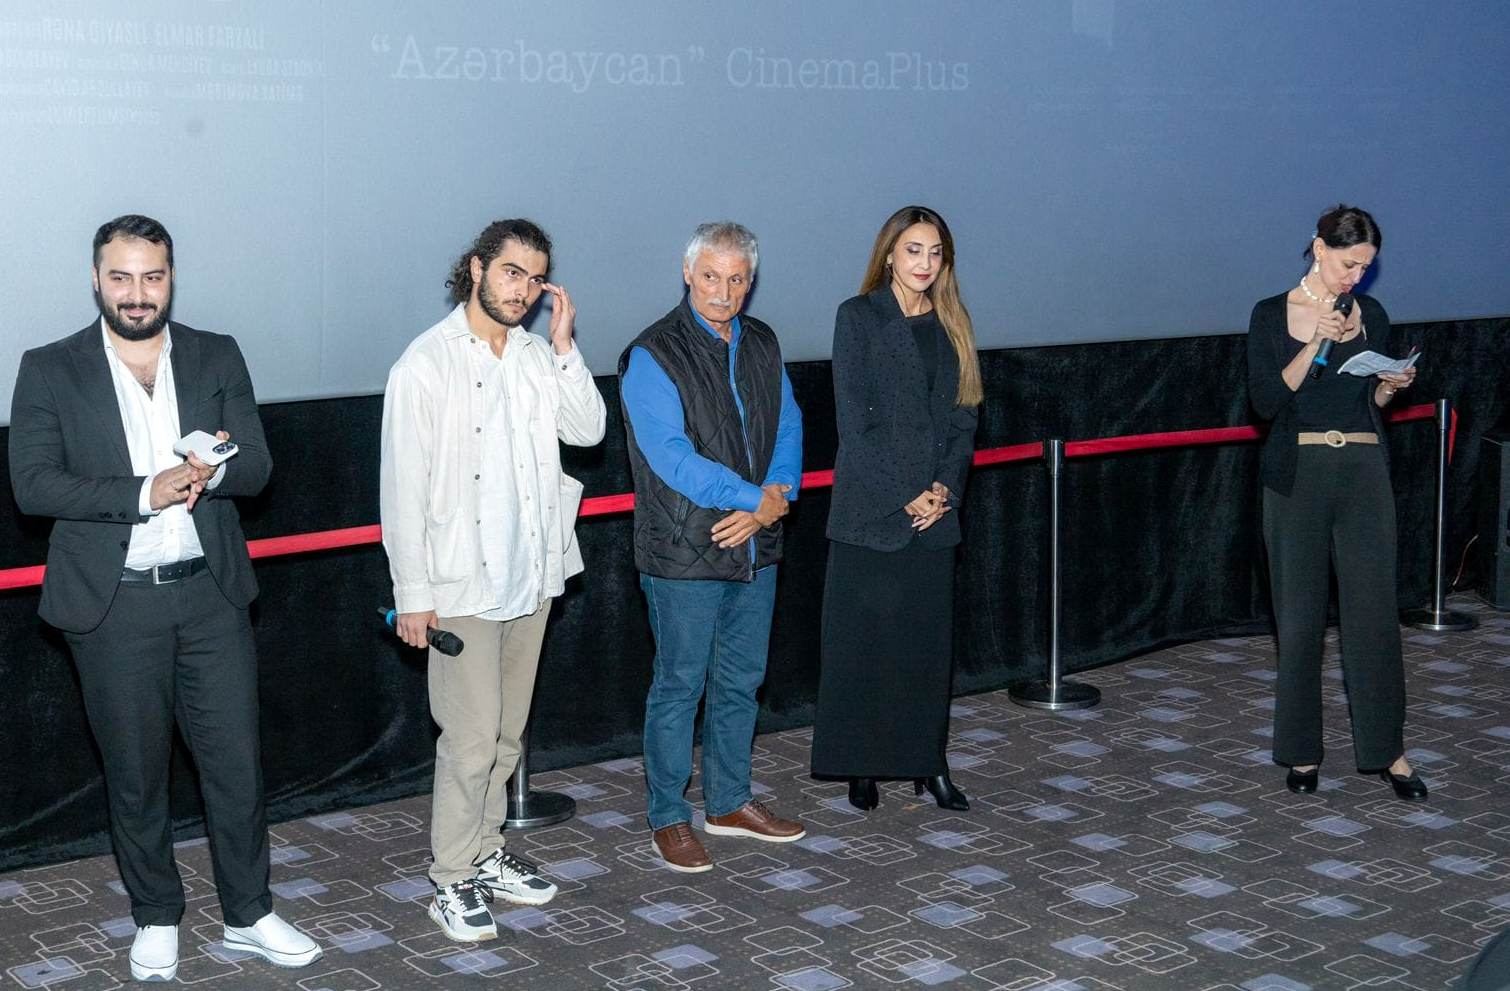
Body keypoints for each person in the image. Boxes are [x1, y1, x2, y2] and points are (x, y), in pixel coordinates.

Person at [8, 215, 321, 981]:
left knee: (236, 765)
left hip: (211, 596)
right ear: (96, 280)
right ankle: (155, 912)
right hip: (113, 605)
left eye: (152, 276)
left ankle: (249, 912)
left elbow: (259, 465)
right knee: (136, 772)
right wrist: (142, 491)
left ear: (171, 278)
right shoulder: (49, 367)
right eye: (121, 277)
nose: (137, 293)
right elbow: (33, 484)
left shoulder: (217, 354)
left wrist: (217, 470)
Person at [381, 219, 606, 940]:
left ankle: (483, 853)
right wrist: (413, 595)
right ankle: (450, 878)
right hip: (459, 586)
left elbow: (589, 430)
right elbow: (401, 490)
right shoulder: (425, 362)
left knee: (507, 737)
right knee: (471, 740)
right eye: (512, 272)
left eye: (536, 279)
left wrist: (566, 347)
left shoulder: (539, 355)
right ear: (476, 268)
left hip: (531, 576)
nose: (524, 290)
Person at [619, 221, 806, 873]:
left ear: (750, 281)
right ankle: (668, 816)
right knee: (679, 685)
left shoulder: (763, 342)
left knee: (740, 682)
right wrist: (755, 499)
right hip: (683, 551)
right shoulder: (651, 354)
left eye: (736, 279)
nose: (722, 292)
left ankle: (728, 803)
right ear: (687, 274)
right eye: (710, 277)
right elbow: (671, 458)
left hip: (754, 544)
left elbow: (788, 425)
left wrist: (774, 497)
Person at [1246, 203, 1424, 801]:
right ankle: (1301, 752)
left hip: (1363, 470)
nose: (1357, 277)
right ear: (1319, 248)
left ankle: (1388, 751)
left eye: (1366, 267)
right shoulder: (1271, 314)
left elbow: (1370, 403)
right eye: (1349, 264)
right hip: (1298, 472)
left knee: (1374, 617)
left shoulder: (1373, 314)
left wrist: (1390, 386)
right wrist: (1315, 340)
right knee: (1299, 621)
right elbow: (1266, 402)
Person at [810, 206, 982, 812]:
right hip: (872, 513)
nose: (924, 263)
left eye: (935, 253)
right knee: (864, 648)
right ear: (889, 255)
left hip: (935, 517)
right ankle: (862, 767)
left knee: (925, 652)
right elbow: (854, 424)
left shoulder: (953, 321)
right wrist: (907, 491)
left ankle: (927, 764)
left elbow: (964, 419)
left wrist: (944, 490)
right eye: (913, 250)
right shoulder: (858, 316)